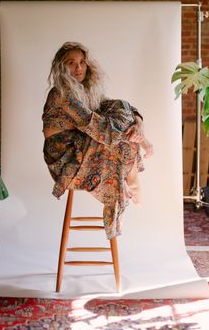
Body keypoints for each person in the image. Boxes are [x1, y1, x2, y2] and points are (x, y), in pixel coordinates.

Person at [42, 41, 153, 239]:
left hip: (81, 145)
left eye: (82, 62)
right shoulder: (62, 93)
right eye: (71, 63)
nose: (78, 67)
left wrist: (139, 127)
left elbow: (124, 107)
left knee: (119, 106)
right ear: (62, 68)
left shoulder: (84, 90)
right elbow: (94, 126)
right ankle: (129, 177)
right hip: (64, 158)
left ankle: (126, 178)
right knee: (115, 137)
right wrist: (142, 142)